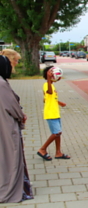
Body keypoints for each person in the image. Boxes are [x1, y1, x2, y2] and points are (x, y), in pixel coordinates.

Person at [0, 55, 33, 203]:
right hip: (6, 126)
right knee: (11, 156)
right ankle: (11, 190)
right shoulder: (1, 84)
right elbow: (11, 106)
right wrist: (21, 116)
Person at [37, 66, 70, 161]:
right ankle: (42, 149)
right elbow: (49, 93)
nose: (52, 73)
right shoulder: (46, 85)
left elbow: (48, 98)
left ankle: (58, 152)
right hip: (50, 113)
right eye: (50, 71)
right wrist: (48, 78)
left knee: (58, 133)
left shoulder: (51, 85)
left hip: (55, 112)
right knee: (56, 132)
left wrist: (60, 103)